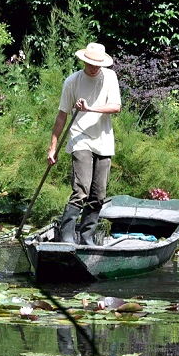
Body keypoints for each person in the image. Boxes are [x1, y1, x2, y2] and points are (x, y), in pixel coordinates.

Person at [47, 42, 122, 245]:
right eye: (90, 63)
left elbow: (116, 107)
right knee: (81, 190)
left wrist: (90, 108)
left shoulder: (110, 77)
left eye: (97, 63)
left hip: (104, 140)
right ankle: (67, 235)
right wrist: (53, 147)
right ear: (83, 61)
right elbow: (62, 116)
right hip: (80, 138)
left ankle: (87, 237)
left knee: (98, 194)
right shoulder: (72, 82)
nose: (94, 67)